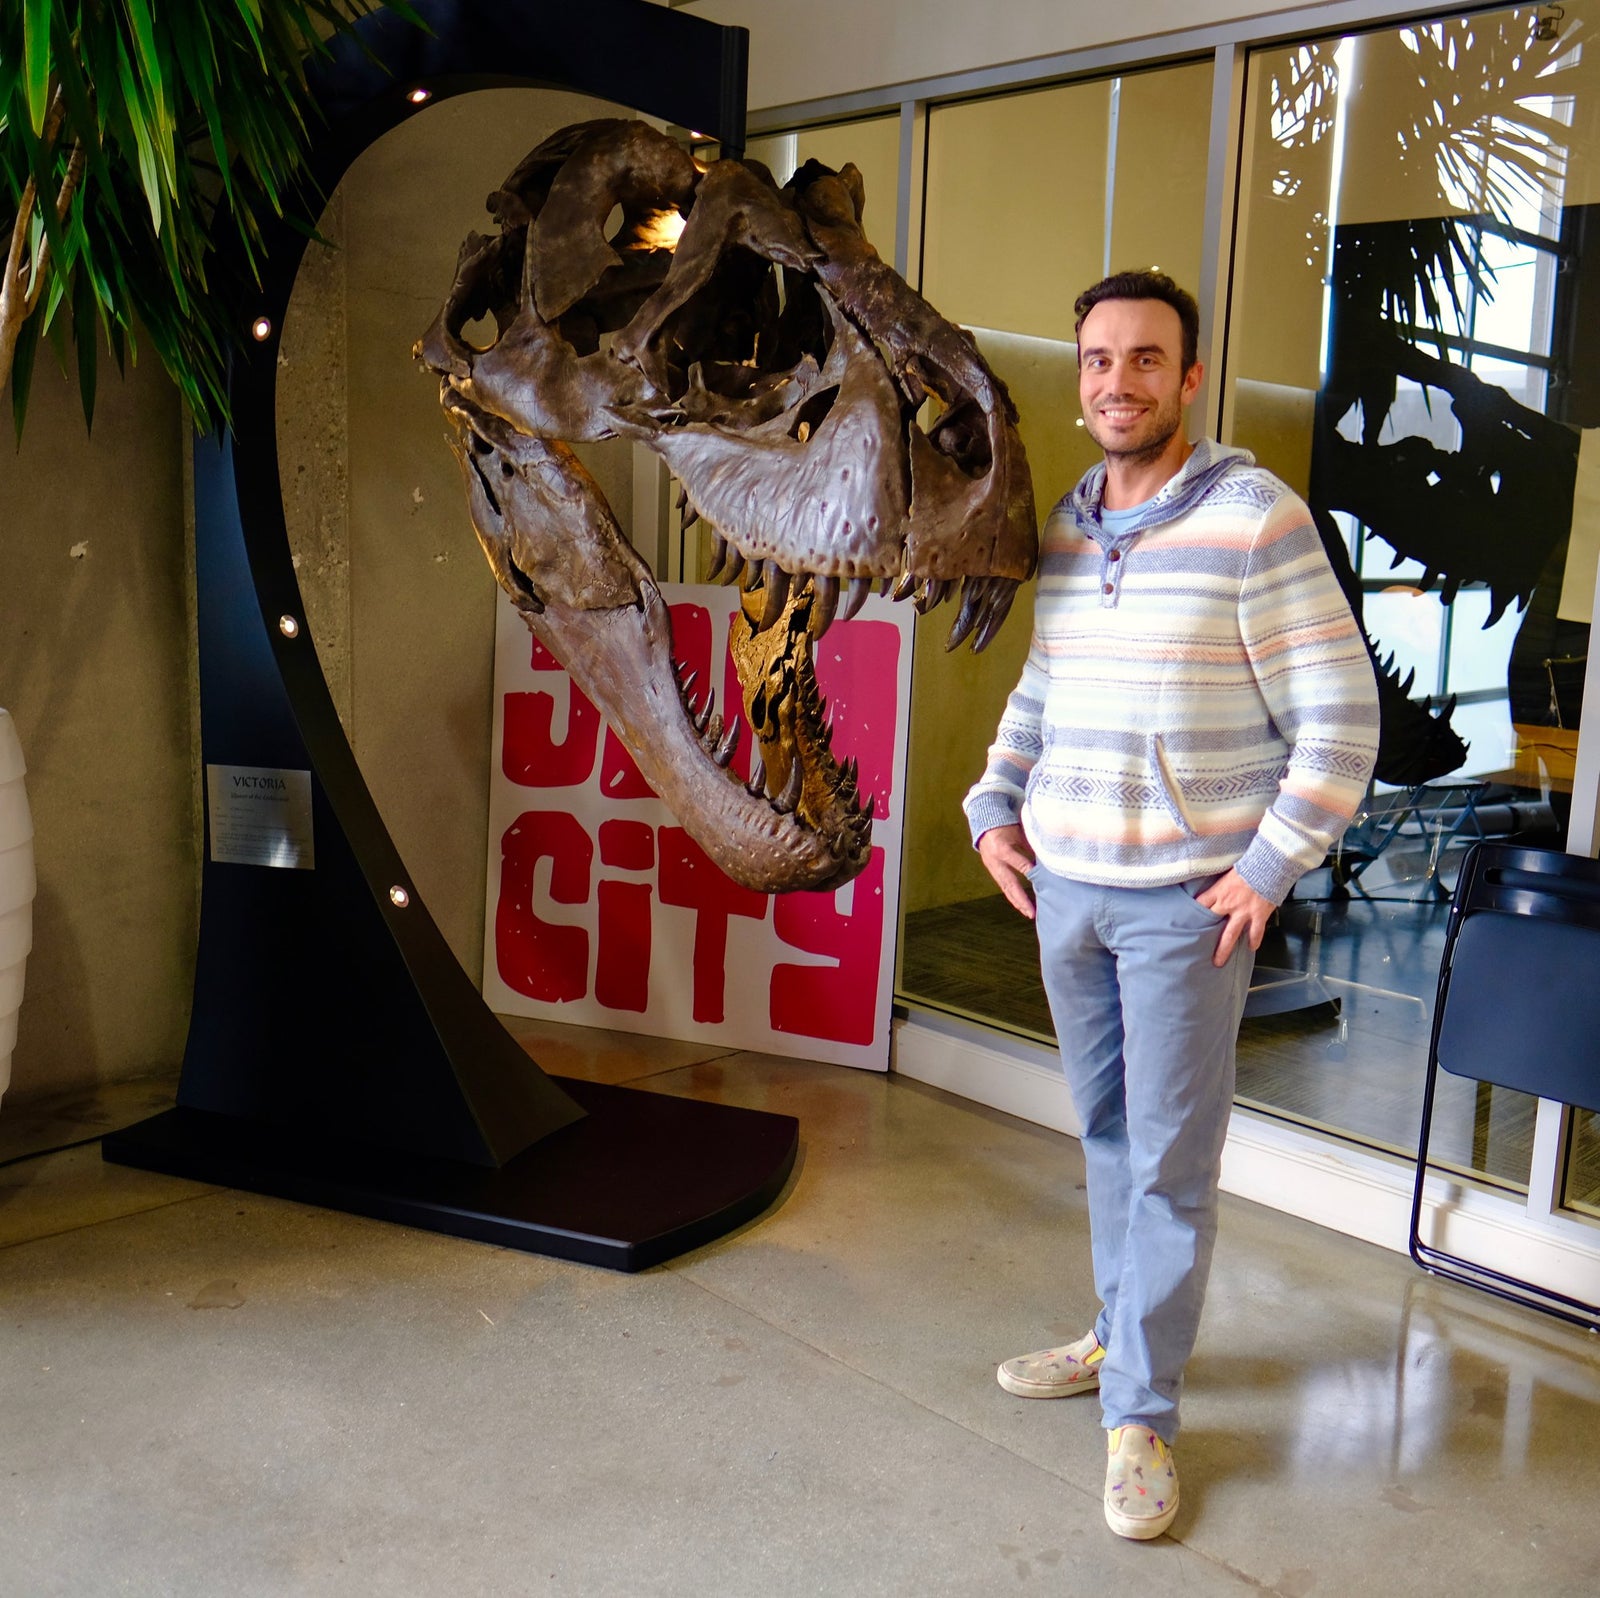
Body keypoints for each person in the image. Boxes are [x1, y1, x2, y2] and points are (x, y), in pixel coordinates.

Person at [963, 270, 1379, 1541]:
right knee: (1101, 1131)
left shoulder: (1257, 518)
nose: (1116, 382)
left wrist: (1267, 865)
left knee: (1171, 1161)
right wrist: (993, 799)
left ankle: (1141, 1412)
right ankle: (1112, 1332)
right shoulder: (1071, 524)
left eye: (1146, 360)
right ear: (1077, 372)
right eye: (1098, 360)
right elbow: (1042, 688)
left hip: (1185, 903)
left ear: (1190, 379)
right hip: (1066, 886)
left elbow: (1342, 715)